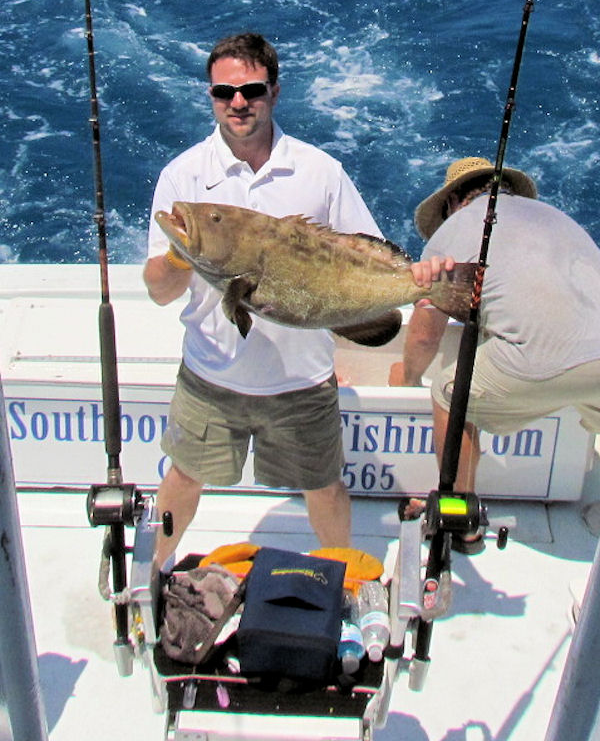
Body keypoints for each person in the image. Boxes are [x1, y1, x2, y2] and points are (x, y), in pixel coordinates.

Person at [144, 32, 448, 569]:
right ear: (211, 96)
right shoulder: (183, 177)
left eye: (251, 90)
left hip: (303, 383)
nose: (238, 103)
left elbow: (365, 251)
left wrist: (417, 279)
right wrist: (182, 252)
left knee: (324, 489)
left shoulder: (319, 171)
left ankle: (343, 585)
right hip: (211, 376)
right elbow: (159, 291)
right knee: (183, 477)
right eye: (223, 93)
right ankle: (155, 572)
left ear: (274, 93)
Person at [390, 155, 600, 552]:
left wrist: (409, 378)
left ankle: (461, 520)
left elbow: (424, 335)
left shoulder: (456, 228)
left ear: (452, 203)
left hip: (537, 364)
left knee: (449, 395)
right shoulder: (555, 218)